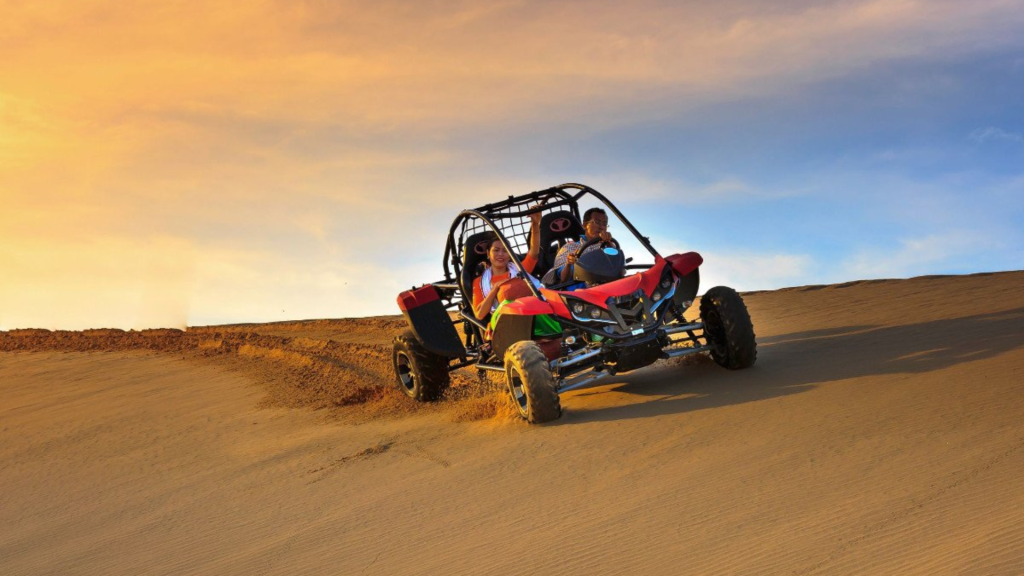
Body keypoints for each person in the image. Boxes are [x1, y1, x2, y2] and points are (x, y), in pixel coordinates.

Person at [472, 208, 543, 320]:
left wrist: (535, 224)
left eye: (505, 251)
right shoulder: (480, 282)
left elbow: (534, 252)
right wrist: (495, 288)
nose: (500, 254)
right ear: (488, 254)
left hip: (530, 314)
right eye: (496, 250)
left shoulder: (519, 270)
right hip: (503, 321)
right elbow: (479, 315)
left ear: (510, 255)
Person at [542, 207, 617, 287]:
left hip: (608, 288)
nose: (601, 227)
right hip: (580, 295)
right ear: (585, 225)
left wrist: (608, 242)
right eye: (597, 222)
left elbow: (617, 266)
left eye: (604, 224)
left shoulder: (608, 246)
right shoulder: (570, 247)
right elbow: (563, 278)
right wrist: (569, 263)